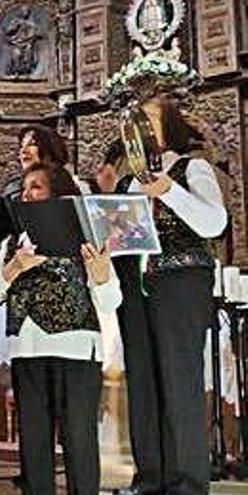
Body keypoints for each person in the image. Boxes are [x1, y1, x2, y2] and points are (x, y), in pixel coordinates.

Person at [0, 164, 122, 495]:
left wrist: (100, 273)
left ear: (58, 194)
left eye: (37, 187)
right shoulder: (13, 241)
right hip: (27, 348)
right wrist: (13, 267)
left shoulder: (87, 234)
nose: (27, 194)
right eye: (24, 189)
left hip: (77, 347)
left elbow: (111, 300)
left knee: (78, 438)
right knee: (34, 440)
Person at [113, 96, 227, 495]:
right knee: (143, 382)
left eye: (149, 119)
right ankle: (151, 478)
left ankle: (187, 483)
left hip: (180, 281)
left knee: (180, 382)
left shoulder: (191, 167)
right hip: (137, 285)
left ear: (169, 126)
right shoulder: (129, 181)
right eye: (136, 120)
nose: (141, 126)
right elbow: (123, 242)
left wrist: (168, 192)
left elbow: (214, 223)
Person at [1, 124, 70, 200]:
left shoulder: (69, 185)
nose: (23, 151)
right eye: (21, 146)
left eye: (32, 144)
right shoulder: (12, 186)